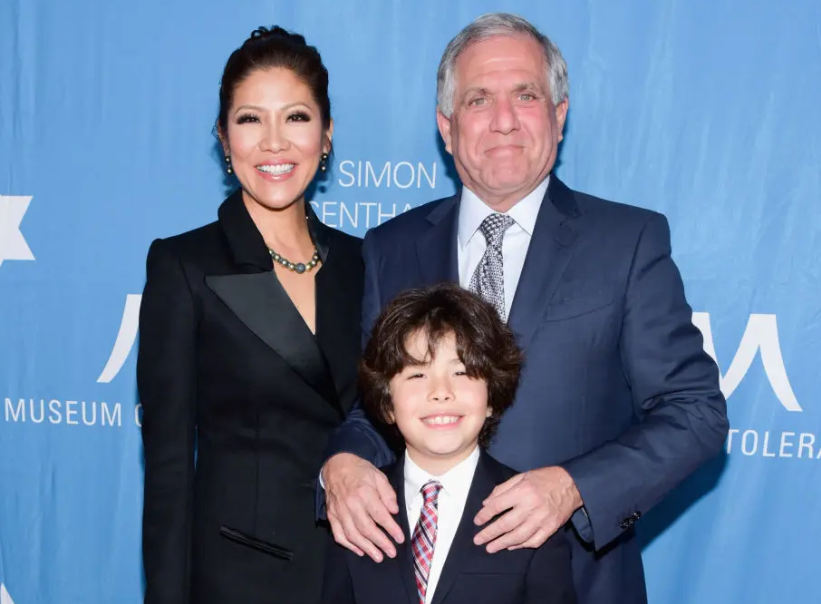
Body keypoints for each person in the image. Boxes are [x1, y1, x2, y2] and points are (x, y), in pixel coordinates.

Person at [318, 13, 729, 604]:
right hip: (416, 582)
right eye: (479, 99)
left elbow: (695, 412)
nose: (504, 120)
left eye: (526, 95)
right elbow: (375, 407)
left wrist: (573, 488)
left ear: (559, 116)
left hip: (578, 581)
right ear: (447, 126)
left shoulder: (627, 242)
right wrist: (344, 463)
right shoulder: (391, 247)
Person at [138, 26, 363, 604]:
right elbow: (167, 475)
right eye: (248, 119)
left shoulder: (365, 263)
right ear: (222, 137)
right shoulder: (185, 267)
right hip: (241, 581)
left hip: (359, 574)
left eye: (295, 117)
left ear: (327, 133)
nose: (273, 143)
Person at [321, 284, 577, 604]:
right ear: (387, 403)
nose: (441, 392)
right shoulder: (357, 506)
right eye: (417, 375)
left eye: (462, 372)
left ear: (491, 398)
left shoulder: (530, 510)